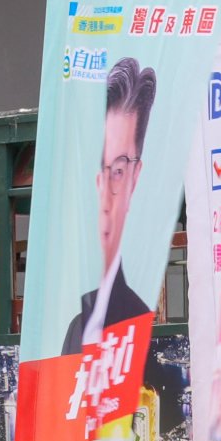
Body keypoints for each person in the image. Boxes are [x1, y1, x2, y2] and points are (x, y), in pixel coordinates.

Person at [60, 57, 158, 353]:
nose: (103, 197)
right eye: (98, 169)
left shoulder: (139, 323)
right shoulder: (75, 323)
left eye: (117, 170)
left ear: (135, 178)